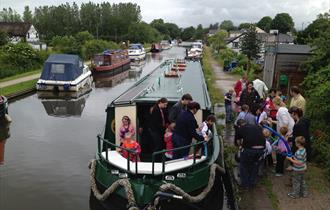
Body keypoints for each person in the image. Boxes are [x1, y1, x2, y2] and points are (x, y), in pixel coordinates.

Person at [235, 119, 266, 188]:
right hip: (261, 149)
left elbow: (237, 141)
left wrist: (240, 146)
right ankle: (252, 182)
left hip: (249, 150)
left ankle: (245, 184)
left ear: (239, 125)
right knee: (255, 165)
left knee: (244, 165)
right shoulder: (257, 126)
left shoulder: (240, 128)